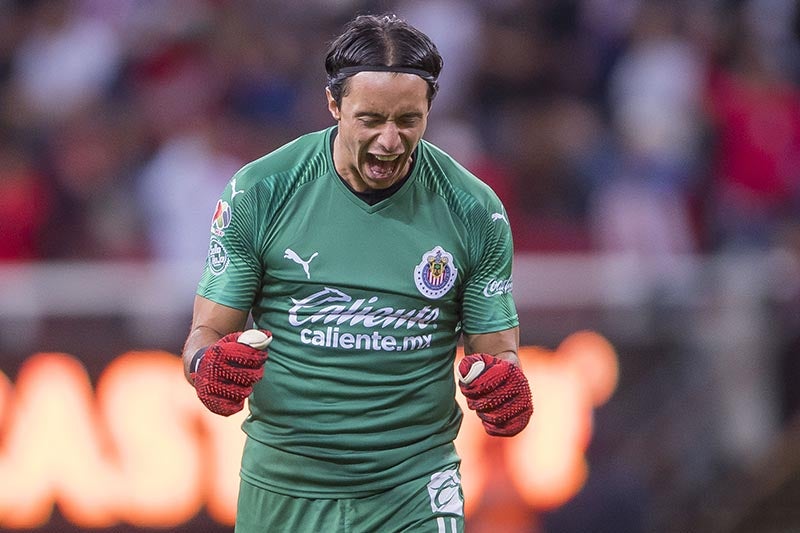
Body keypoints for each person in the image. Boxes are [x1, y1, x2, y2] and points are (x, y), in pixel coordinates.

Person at [181, 13, 532, 533]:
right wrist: (206, 367)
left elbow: (496, 350)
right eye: (370, 119)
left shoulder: (475, 211)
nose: (390, 140)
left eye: (408, 120)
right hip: (285, 487)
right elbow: (204, 336)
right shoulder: (261, 192)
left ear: (429, 110)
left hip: (415, 485)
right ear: (333, 105)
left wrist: (506, 385)